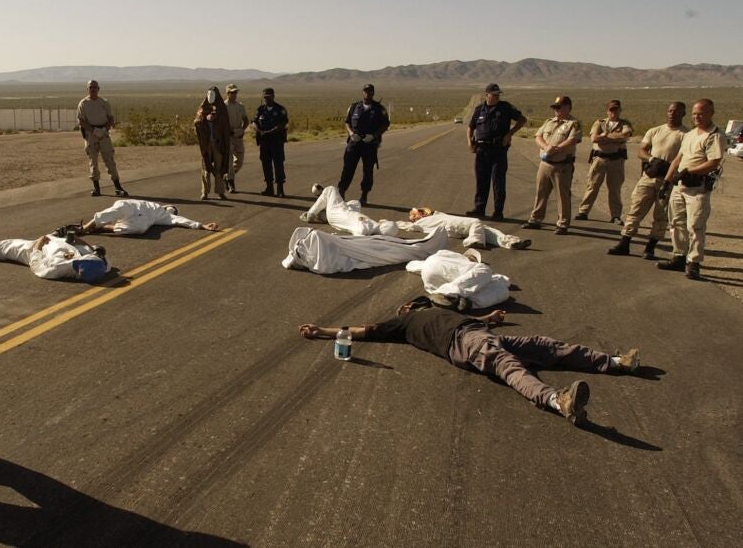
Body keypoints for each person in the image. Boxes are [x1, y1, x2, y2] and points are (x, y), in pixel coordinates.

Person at [299, 297, 641, 425]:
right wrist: (324, 331)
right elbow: (364, 331)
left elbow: (474, 320)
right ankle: (556, 400)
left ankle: (614, 362)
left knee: (545, 346)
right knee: (509, 367)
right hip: (465, 344)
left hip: (479, 333)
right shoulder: (403, 325)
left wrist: (491, 318)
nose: (405, 309)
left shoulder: (436, 312)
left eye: (409, 306)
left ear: (415, 306)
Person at [657, 99, 728, 280]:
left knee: (695, 226)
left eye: (701, 114)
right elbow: (677, 159)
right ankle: (679, 257)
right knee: (676, 222)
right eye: (695, 114)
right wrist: (667, 182)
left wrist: (689, 171)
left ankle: (694, 263)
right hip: (679, 185)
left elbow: (713, 163)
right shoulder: (689, 134)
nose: (697, 117)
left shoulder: (715, 135)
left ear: (711, 113)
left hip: (697, 188)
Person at [608, 102, 687, 259]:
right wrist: (652, 159)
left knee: (661, 215)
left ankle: (650, 247)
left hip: (668, 181)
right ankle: (624, 243)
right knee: (635, 209)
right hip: (649, 176)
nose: (672, 114)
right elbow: (641, 151)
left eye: (677, 112)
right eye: (670, 111)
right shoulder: (655, 131)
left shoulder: (686, 135)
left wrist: (670, 169)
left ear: (683, 114)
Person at [282, 225, 448, 275]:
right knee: (386, 249)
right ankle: (425, 247)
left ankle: (424, 246)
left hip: (349, 245)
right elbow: (328, 259)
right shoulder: (318, 261)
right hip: (352, 250)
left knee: (384, 244)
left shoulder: (312, 253)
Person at [466, 83, 526, 219]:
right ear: (486, 95)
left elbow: (522, 120)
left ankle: (498, 212)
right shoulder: (479, 109)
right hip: (481, 150)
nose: (497, 96)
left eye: (498, 94)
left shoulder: (505, 108)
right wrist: (469, 142)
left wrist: (510, 133)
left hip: (498, 150)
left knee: (498, 182)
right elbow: (470, 127)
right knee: (481, 181)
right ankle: (479, 209)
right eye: (494, 94)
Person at [523, 96, 582, 235]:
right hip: (545, 163)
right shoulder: (549, 122)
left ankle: (562, 223)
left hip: (562, 165)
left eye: (559, 107)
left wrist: (555, 149)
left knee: (562, 196)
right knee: (540, 192)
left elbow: (573, 140)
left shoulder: (573, 124)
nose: (556, 110)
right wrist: (546, 147)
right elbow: (538, 136)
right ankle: (535, 219)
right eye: (555, 107)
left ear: (568, 107)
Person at [575, 100, 634, 223]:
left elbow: (625, 136)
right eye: (611, 110)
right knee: (592, 186)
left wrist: (604, 137)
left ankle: (615, 215)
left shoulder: (624, 124)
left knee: (615, 188)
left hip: (616, 160)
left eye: (616, 109)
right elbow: (594, 138)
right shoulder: (599, 123)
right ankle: (583, 211)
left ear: (620, 110)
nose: (614, 112)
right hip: (599, 159)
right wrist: (615, 138)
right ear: (607, 111)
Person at [0, 232, 109, 282]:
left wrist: (39, 243)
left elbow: (35, 263)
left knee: (4, 247)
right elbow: (95, 251)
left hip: (38, 248)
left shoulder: (56, 269)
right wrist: (77, 239)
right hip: (60, 241)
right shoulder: (102, 266)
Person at [406, 248, 510, 310]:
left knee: (501, 289)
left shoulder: (444, 255)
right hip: (437, 281)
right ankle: (449, 296)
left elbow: (410, 265)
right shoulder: (465, 262)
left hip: (428, 274)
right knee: (485, 270)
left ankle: (450, 298)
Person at [339, 84, 391, 205]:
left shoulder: (379, 109)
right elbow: (347, 122)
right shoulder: (353, 107)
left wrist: (374, 136)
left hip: (369, 144)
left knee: (368, 170)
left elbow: (385, 125)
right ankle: (341, 191)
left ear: (373, 93)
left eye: (370, 91)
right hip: (354, 142)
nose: (368, 93)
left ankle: (364, 195)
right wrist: (351, 133)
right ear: (362, 92)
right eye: (366, 91)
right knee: (348, 168)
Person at [77, 80, 128, 197]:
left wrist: (104, 129)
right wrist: (93, 130)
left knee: (109, 160)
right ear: (87, 89)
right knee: (93, 161)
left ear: (98, 89)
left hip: (104, 133)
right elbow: (81, 121)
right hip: (91, 134)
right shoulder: (83, 104)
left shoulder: (104, 102)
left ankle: (117, 187)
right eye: (91, 87)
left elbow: (111, 119)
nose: (93, 89)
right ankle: (96, 188)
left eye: (95, 87)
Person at [405, 207, 531, 250]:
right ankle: (473, 241)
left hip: (458, 226)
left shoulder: (434, 215)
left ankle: (512, 242)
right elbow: (408, 225)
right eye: (415, 215)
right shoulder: (422, 222)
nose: (419, 214)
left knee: (487, 230)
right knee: (475, 222)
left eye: (419, 213)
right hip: (454, 225)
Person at [71, 198, 218, 235]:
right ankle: (85, 228)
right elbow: (181, 220)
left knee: (140, 228)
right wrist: (202, 225)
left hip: (141, 218)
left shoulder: (165, 216)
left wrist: (201, 225)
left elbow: (181, 220)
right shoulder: (158, 209)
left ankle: (101, 228)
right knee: (115, 211)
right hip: (130, 206)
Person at [299, 183, 397, 236]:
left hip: (337, 212)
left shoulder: (366, 227)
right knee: (356, 203)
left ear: (384, 225)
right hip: (339, 218)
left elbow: (359, 238)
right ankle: (323, 211)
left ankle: (311, 214)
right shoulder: (370, 228)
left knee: (331, 189)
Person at [194, 86, 232, 200]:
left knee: (219, 168)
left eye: (212, 94)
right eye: (208, 94)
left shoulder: (222, 109)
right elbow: (196, 121)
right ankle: (205, 192)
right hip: (206, 144)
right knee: (205, 167)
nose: (210, 97)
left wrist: (216, 118)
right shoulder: (203, 108)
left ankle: (220, 191)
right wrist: (205, 118)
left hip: (218, 144)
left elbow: (225, 126)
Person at [254, 87, 289, 197]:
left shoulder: (280, 109)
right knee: (266, 165)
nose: (266, 99)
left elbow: (282, 124)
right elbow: (254, 122)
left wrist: (269, 132)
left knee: (278, 164)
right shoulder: (260, 109)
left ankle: (280, 189)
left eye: (269, 97)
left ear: (273, 97)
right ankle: (269, 188)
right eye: (265, 97)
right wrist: (258, 130)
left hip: (276, 142)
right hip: (264, 142)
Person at [223, 83, 249, 193]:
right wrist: (228, 130)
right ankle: (231, 183)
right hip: (228, 136)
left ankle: (227, 177)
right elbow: (221, 122)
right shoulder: (223, 106)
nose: (234, 94)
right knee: (229, 160)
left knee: (240, 161)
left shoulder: (240, 106)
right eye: (232, 92)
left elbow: (246, 120)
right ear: (227, 93)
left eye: (235, 92)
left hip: (238, 135)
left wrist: (242, 130)